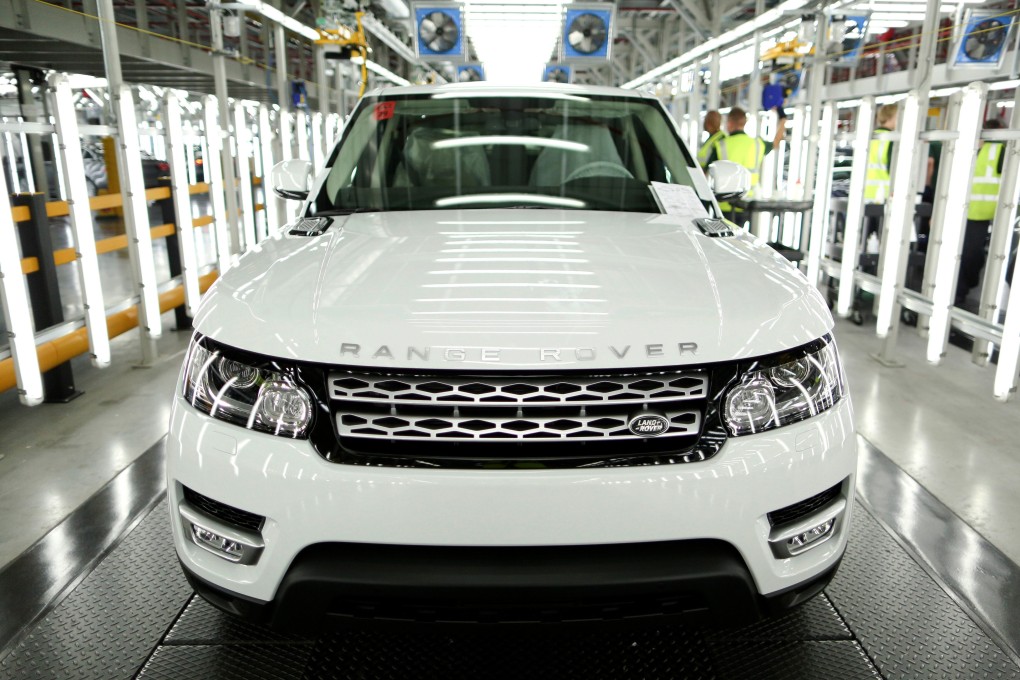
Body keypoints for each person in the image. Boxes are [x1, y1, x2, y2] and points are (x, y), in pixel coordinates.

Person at [704, 106, 787, 217]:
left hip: (724, 205)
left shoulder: (721, 145)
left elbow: (706, 175)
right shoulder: (757, 144)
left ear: (729, 123)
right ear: (744, 123)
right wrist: (783, 118)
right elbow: (777, 142)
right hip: (749, 203)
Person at [958, 118, 1006, 309]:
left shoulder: (991, 151)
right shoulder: (996, 150)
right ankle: (961, 292)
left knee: (968, 255)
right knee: (969, 255)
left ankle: (961, 292)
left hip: (977, 213)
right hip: (982, 213)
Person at [865, 103, 898, 204]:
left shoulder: (869, 137)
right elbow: (893, 168)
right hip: (884, 195)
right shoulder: (892, 139)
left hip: (865, 193)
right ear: (890, 117)